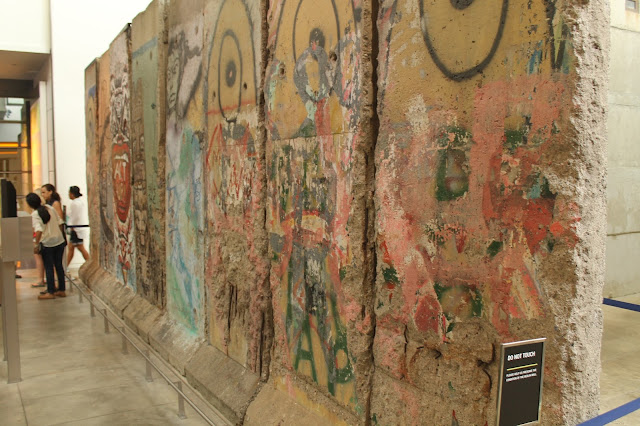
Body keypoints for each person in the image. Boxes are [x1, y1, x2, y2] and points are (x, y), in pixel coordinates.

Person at [26, 193, 66, 299]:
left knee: (48, 267)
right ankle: (61, 290)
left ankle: (50, 291)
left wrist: (36, 244)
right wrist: (59, 235)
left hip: (47, 243)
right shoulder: (49, 208)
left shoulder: (35, 214)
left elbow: (39, 230)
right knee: (59, 266)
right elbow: (60, 222)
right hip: (59, 241)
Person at [66, 186, 90, 264]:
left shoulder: (75, 204)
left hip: (76, 229)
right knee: (73, 248)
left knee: (79, 247)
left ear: (72, 194)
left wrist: (71, 225)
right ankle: (65, 266)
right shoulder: (80, 202)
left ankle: (65, 267)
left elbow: (74, 217)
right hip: (77, 228)